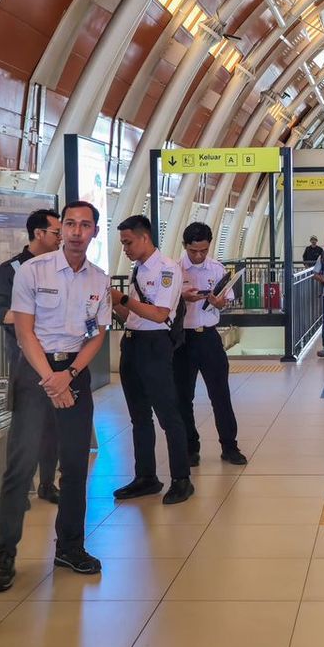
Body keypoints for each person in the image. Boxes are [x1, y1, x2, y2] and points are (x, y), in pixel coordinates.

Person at [0, 200, 111, 592]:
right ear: (62, 230)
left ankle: (70, 547)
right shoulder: (32, 271)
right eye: (69, 224)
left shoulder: (99, 279)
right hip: (34, 370)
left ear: (94, 232)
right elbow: (24, 332)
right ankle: (3, 556)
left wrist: (68, 375)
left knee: (74, 466)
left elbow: (97, 335)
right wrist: (50, 379)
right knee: (20, 467)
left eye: (85, 225)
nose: (76, 231)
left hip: (74, 371)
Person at [109, 215, 195, 505]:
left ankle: (181, 479)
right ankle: (146, 477)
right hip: (132, 343)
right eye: (123, 244)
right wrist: (111, 303)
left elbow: (159, 314)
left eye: (128, 243)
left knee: (168, 414)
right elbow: (133, 316)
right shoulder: (138, 269)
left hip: (155, 346)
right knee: (139, 416)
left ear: (144, 238)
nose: (125, 249)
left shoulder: (167, 269)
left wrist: (123, 299)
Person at [0, 208, 62, 505]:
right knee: (26, 427)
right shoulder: (10, 271)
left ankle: (47, 483)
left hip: (59, 359)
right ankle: (18, 488)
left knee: (53, 425)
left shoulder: (62, 267)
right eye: (57, 232)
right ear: (39, 234)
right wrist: (33, 316)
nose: (62, 238)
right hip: (25, 362)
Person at [174, 222, 248, 468]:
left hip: (208, 338)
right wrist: (182, 298)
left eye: (204, 250)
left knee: (220, 394)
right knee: (183, 397)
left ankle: (229, 446)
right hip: (182, 341)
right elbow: (164, 304)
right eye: (194, 251)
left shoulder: (217, 269)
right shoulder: (173, 270)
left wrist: (219, 303)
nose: (199, 255)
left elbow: (227, 300)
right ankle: (190, 448)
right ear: (185, 246)